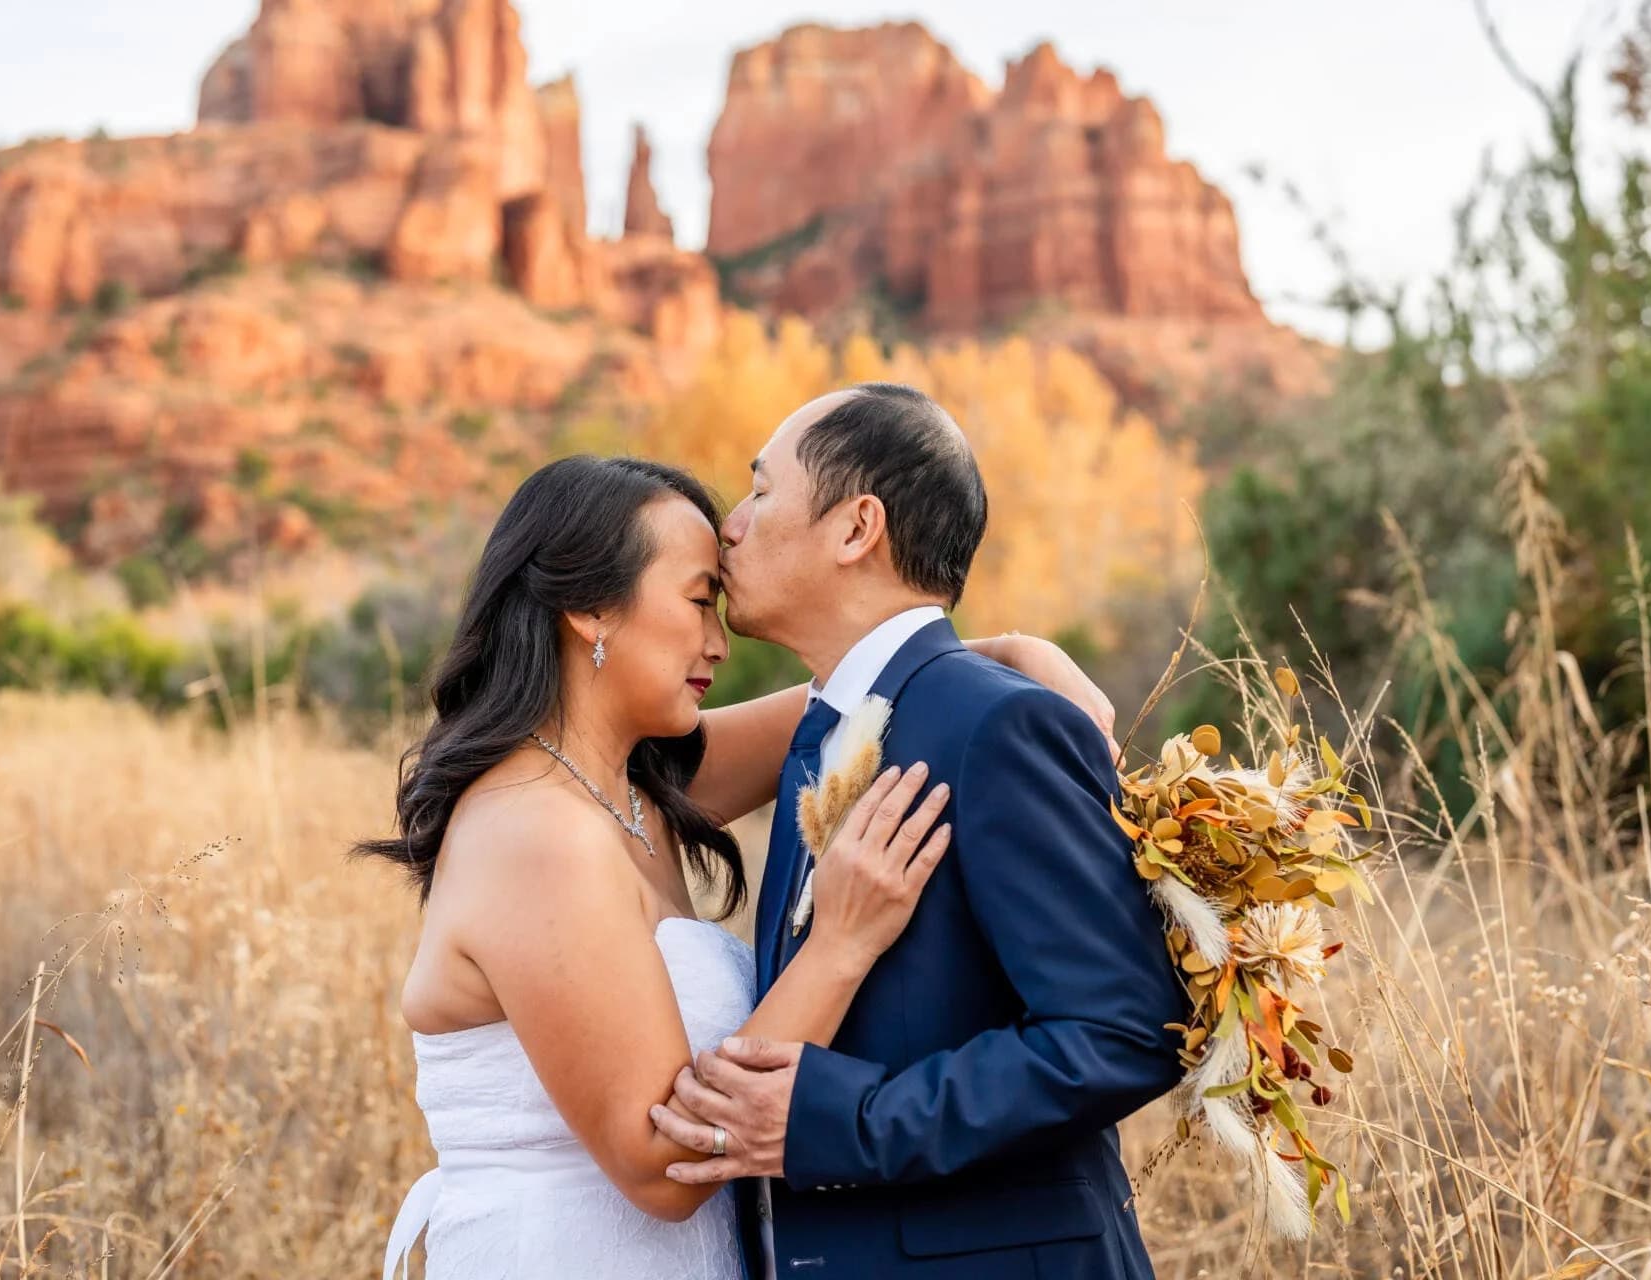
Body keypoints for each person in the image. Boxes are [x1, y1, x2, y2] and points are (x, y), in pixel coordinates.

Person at [359, 453, 1113, 1278]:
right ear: (590, 609)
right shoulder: (537, 834)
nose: (719, 641)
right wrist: (841, 944)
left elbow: (866, 689)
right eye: (697, 601)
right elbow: (664, 1161)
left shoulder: (630, 789)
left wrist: (1005, 656)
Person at [648, 385, 1192, 1279]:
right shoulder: (824, 729)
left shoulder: (1003, 726)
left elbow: (1126, 1030)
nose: (729, 528)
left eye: (760, 491)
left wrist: (845, 1120)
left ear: (857, 528)